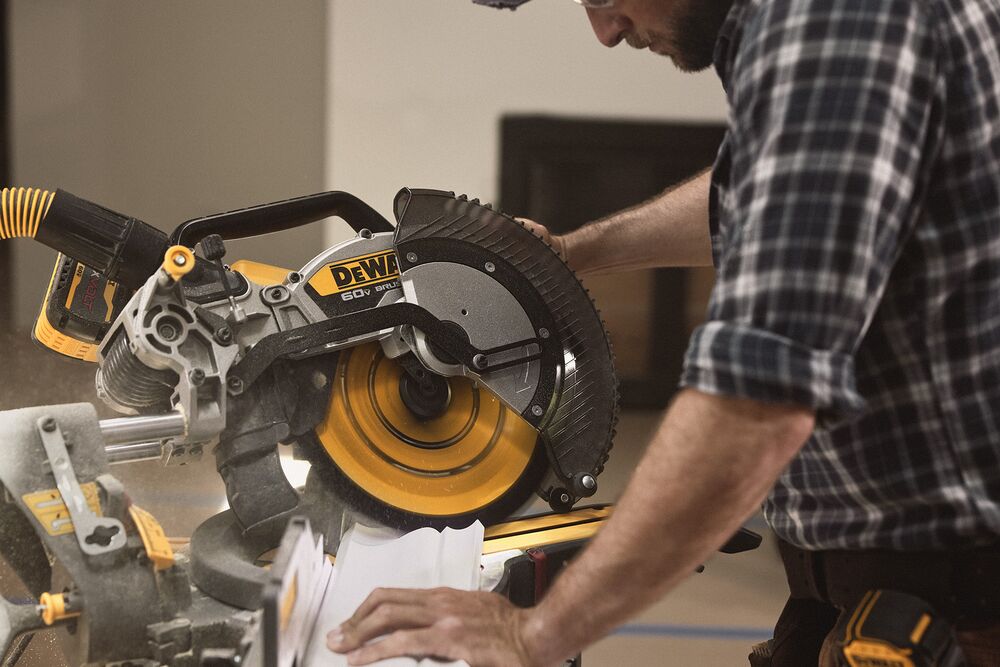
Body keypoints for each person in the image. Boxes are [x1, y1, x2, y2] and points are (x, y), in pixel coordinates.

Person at [327, 0, 1000, 664]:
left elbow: (754, 407)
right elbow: (757, 197)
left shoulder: (837, 23)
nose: (605, 31)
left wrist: (532, 632)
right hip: (887, 587)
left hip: (957, 602)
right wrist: (572, 252)